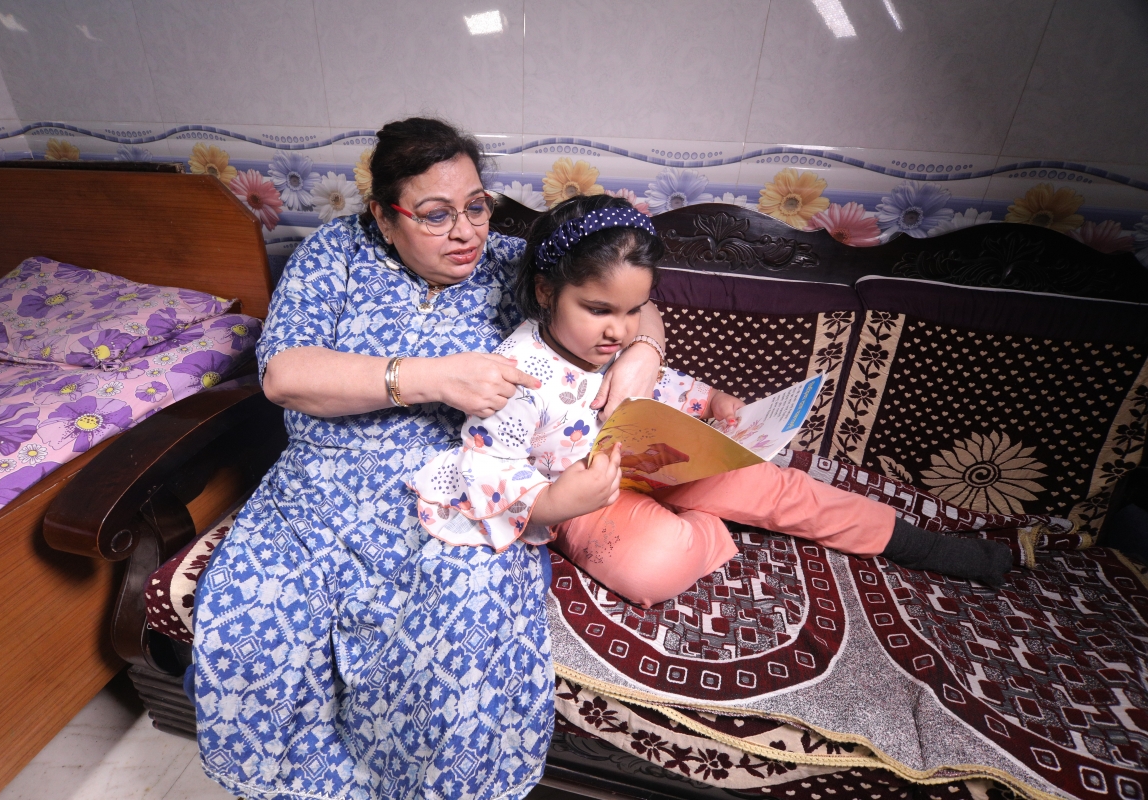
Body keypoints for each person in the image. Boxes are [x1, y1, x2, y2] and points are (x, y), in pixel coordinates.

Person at [189, 119, 669, 800]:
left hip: (454, 491)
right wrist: (429, 377)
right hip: (318, 489)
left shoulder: (511, 261)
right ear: (385, 218)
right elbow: (284, 374)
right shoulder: (335, 255)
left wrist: (644, 353)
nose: (467, 232)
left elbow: (629, 295)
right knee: (250, 620)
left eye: (477, 205)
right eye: (437, 214)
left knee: (463, 628)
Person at [410, 195, 1014, 608]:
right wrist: (553, 503)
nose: (617, 331)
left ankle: (922, 544)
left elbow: (661, 389)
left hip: (666, 459)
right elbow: (487, 464)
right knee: (650, 568)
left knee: (777, 489)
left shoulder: (624, 346)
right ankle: (712, 532)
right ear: (545, 291)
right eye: (597, 310)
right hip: (584, 499)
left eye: (632, 311)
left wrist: (715, 400)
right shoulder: (516, 374)